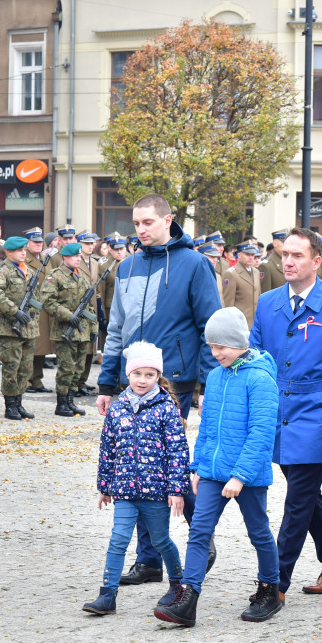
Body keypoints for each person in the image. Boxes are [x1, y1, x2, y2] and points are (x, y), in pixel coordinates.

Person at [95, 193, 222, 587]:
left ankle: (200, 532)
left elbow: (210, 328)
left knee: (166, 463)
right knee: (138, 467)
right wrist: (106, 380)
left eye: (147, 222)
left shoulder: (195, 264)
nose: (140, 230)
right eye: (136, 223)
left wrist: (207, 384)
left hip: (176, 383)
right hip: (131, 386)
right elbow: (116, 328)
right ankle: (148, 560)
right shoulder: (127, 266)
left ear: (168, 220)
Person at [248, 227, 322, 604]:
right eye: (285, 255)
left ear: (317, 260)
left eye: (298, 255)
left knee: (297, 501)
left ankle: (275, 584)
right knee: (308, 495)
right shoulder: (267, 303)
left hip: (318, 414)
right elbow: (255, 362)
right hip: (277, 414)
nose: (289, 261)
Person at [154, 308, 282, 626]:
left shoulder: (261, 378)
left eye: (221, 346)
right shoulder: (214, 375)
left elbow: (262, 433)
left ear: (238, 342)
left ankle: (270, 588)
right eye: (211, 346)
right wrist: (197, 466)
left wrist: (240, 475)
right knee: (199, 531)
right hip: (212, 471)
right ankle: (188, 598)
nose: (215, 353)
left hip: (247, 475)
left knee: (259, 533)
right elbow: (207, 427)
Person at [82, 341, 189, 617]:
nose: (143, 380)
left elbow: (178, 451)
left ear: (158, 377)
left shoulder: (166, 408)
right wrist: (105, 487)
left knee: (161, 540)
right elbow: (108, 450)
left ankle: (178, 585)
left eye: (149, 375)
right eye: (137, 374)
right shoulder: (117, 409)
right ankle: (107, 594)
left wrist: (176, 489)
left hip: (156, 492)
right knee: (118, 539)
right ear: (127, 375)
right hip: (125, 491)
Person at [0, 236, 40, 420]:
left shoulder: (30, 272)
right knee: (11, 367)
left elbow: (36, 300)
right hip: (9, 327)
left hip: (28, 328)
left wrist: (33, 319)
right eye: (19, 250)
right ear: (9, 252)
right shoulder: (1, 271)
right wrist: (15, 312)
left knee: (25, 368)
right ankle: (10, 405)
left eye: (25, 249)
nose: (23, 253)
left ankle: (19, 402)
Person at [42, 242, 93, 416]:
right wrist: (68, 315)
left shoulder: (82, 277)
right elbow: (48, 302)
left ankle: (70, 400)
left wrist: (93, 328)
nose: (79, 259)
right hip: (65, 331)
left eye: (80, 256)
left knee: (78, 368)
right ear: (65, 257)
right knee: (66, 368)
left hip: (82, 331)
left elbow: (89, 307)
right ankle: (61, 403)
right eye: (75, 256)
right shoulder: (55, 276)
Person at [22, 228, 53, 394]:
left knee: (41, 348)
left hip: (43, 307)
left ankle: (37, 379)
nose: (38, 244)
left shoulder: (45, 258)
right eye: (35, 242)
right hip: (30, 307)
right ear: (28, 243)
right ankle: (26, 379)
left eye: (40, 242)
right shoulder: (24, 259)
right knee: (30, 347)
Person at [74, 231, 102, 394]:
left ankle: (82, 381)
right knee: (79, 348)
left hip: (91, 310)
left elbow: (96, 287)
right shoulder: (76, 261)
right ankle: (75, 383)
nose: (90, 247)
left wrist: (99, 308)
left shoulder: (95, 262)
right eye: (86, 244)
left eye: (92, 244)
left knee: (90, 348)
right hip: (79, 309)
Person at [222, 241, 262, 328]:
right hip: (240, 325)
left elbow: (258, 298)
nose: (251, 257)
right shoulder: (231, 274)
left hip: (255, 324)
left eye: (252, 255)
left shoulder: (256, 272)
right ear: (239, 255)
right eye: (247, 254)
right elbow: (228, 304)